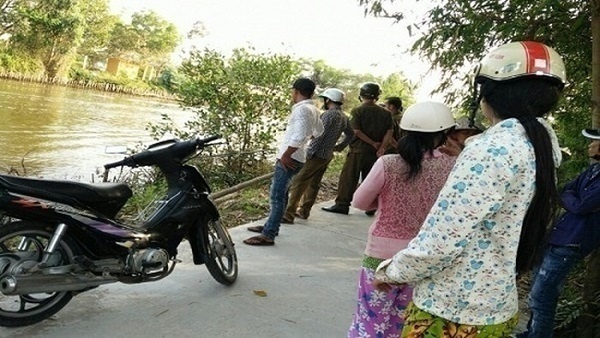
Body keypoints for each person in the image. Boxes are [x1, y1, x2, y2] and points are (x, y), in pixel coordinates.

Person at [373, 41, 566, 336]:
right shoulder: (541, 148)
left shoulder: (491, 149)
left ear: (489, 94)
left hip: (452, 313)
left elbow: (442, 240)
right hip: (496, 308)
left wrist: (393, 271)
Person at [348, 101, 457, 337]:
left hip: (380, 257)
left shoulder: (388, 163)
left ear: (404, 131)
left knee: (370, 322)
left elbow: (358, 202)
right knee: (402, 325)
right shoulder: (454, 166)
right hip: (424, 257)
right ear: (444, 134)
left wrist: (385, 201)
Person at [518, 129, 600, 338]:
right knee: (537, 291)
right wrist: (575, 199)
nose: (589, 145)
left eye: (594, 142)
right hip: (559, 235)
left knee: (541, 296)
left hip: (573, 241)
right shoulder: (593, 171)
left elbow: (582, 205)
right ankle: (531, 333)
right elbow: (565, 190)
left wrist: (574, 200)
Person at [243, 77, 324, 246]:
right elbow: (319, 131)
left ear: (297, 91)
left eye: (292, 91)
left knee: (276, 196)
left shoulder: (302, 110)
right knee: (282, 193)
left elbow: (301, 135)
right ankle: (271, 226)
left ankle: (269, 233)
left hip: (290, 158)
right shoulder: (314, 109)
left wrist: (287, 154)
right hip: (299, 156)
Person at [282, 88, 353, 223]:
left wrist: (308, 153)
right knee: (314, 183)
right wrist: (339, 146)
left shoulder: (328, 115)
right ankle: (304, 211)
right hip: (327, 155)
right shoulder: (344, 117)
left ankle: (288, 214)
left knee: (299, 182)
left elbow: (319, 136)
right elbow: (351, 134)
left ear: (328, 100)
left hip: (316, 154)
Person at [321, 82, 394, 215]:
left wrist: (372, 143)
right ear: (377, 96)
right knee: (370, 180)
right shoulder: (386, 113)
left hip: (358, 151)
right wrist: (381, 147)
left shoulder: (358, 111)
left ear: (361, 95)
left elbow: (356, 131)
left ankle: (342, 204)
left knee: (348, 178)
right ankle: (370, 207)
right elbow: (389, 132)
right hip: (375, 153)